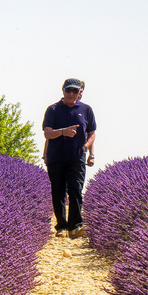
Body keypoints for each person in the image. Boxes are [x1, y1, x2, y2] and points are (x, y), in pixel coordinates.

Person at [42, 78, 97, 238]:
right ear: (63, 91)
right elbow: (47, 133)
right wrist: (63, 132)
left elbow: (92, 132)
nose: (71, 94)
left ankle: (75, 226)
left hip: (76, 157)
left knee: (76, 191)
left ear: (79, 92)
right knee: (58, 192)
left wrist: (87, 148)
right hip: (56, 157)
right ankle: (62, 227)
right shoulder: (52, 110)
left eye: (75, 91)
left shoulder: (86, 110)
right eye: (68, 90)